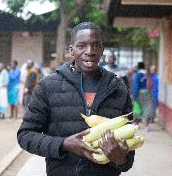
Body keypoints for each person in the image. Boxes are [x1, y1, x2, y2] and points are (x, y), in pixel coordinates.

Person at [17, 22, 134, 176]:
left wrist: (121, 159)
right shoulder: (48, 87)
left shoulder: (118, 89)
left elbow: (128, 157)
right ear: (71, 50)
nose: (90, 51)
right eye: (82, 46)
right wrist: (64, 144)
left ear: (102, 49)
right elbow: (25, 136)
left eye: (95, 45)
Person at [132, 62, 155, 131]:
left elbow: (136, 86)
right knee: (147, 108)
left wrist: (134, 97)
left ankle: (137, 124)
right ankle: (146, 126)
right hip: (148, 93)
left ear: (138, 67)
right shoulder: (147, 75)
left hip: (140, 93)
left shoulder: (137, 75)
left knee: (137, 108)